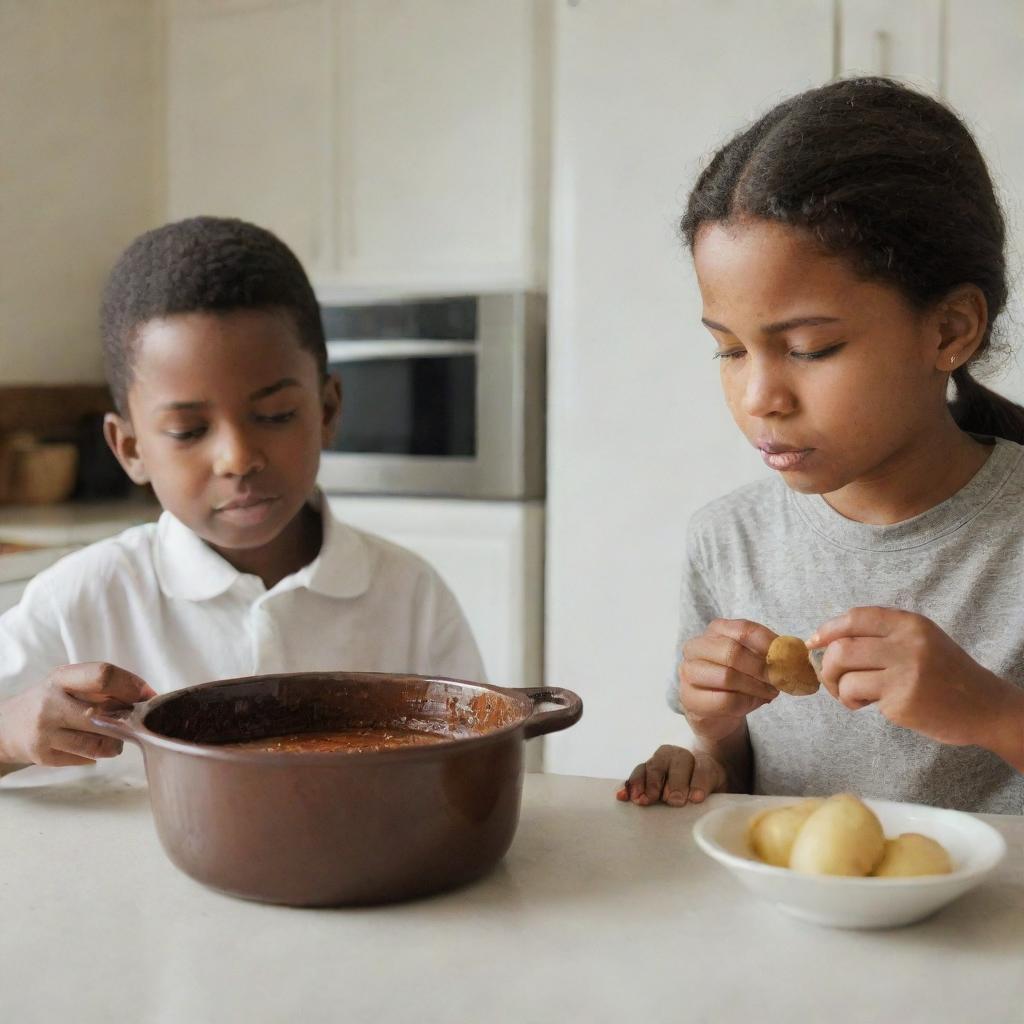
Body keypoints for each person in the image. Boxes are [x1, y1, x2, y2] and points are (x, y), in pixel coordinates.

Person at [618, 77, 1024, 815]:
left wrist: (998, 714)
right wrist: (711, 738)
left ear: (950, 330)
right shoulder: (728, 538)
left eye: (809, 348)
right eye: (730, 351)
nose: (757, 398)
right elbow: (742, 787)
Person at [0, 217, 484, 782]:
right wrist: (11, 732)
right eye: (187, 430)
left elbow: (476, 769)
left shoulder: (409, 595)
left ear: (326, 411)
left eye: (275, 415)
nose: (237, 457)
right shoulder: (82, 598)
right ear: (130, 448)